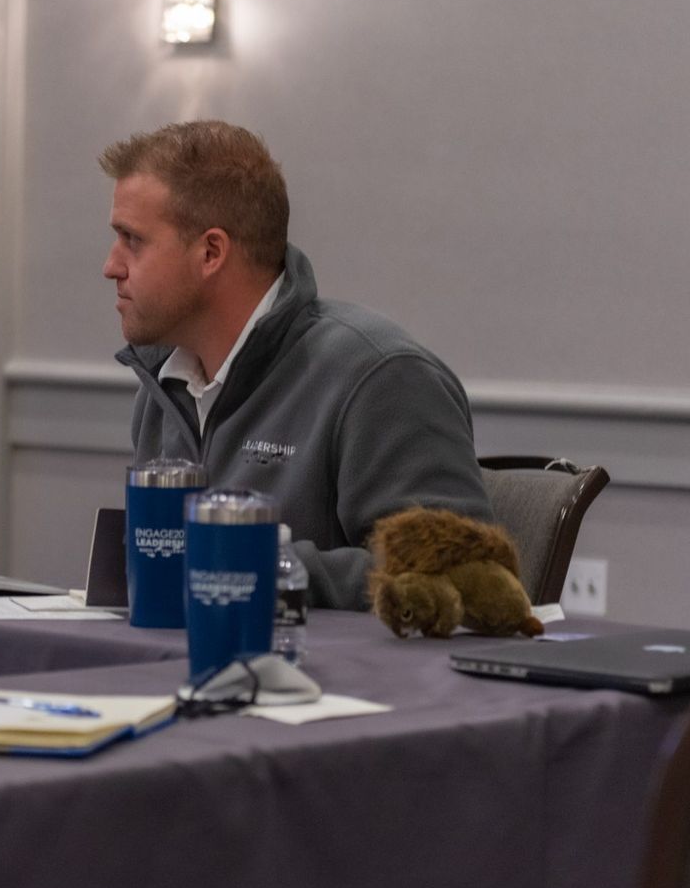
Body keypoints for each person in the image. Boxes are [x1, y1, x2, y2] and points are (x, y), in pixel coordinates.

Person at [103, 119, 492, 611]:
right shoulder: (162, 387)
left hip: (338, 683)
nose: (111, 265)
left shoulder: (379, 376)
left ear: (210, 252)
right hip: (190, 670)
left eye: (131, 239)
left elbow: (460, 574)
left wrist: (259, 563)